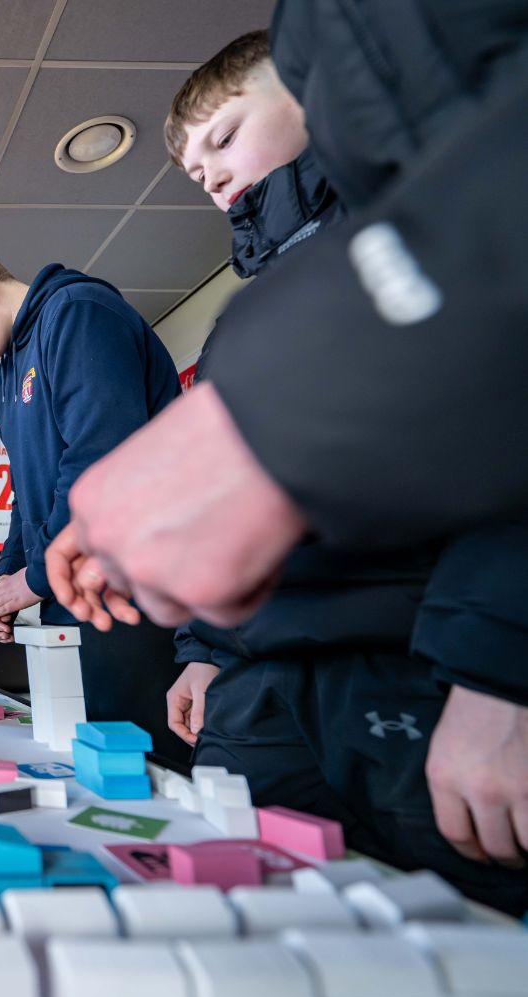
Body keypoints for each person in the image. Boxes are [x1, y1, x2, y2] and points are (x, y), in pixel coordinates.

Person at [47, 1, 528, 873]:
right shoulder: (251, 315)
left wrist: (498, 668)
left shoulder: (415, 211)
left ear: (310, 97)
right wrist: (201, 653)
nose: (211, 175)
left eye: (224, 139)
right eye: (195, 171)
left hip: (420, 669)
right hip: (261, 693)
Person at [0, 237, 186, 764]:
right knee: (85, 759)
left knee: (141, 763)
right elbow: (28, 493)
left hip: (130, 590)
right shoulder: (8, 372)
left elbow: (102, 460)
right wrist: (6, 583)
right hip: (67, 590)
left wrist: (34, 580)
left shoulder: (78, 313)